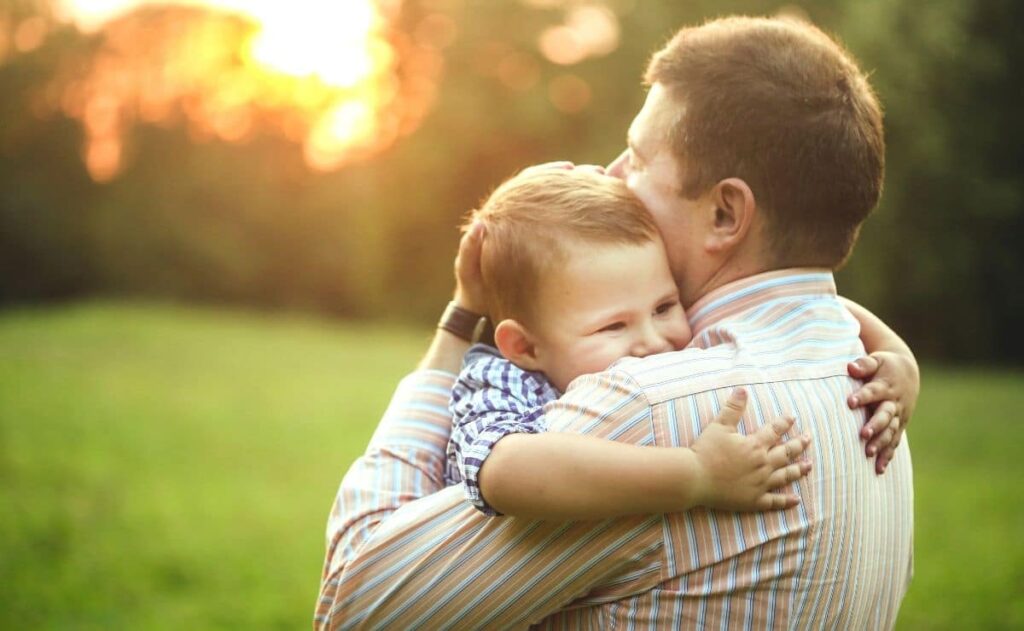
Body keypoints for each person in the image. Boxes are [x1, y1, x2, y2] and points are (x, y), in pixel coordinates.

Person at [315, 15, 918, 629]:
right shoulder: (872, 399)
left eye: (638, 157)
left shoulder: (650, 408)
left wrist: (457, 325)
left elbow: (356, 606)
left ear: (725, 213)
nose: (610, 175)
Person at [445, 168, 815, 520]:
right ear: (526, 347)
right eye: (613, 326)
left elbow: (774, 305)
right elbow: (504, 470)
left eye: (665, 307)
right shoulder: (502, 380)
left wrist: (876, 345)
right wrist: (698, 474)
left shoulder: (672, 339)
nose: (654, 341)